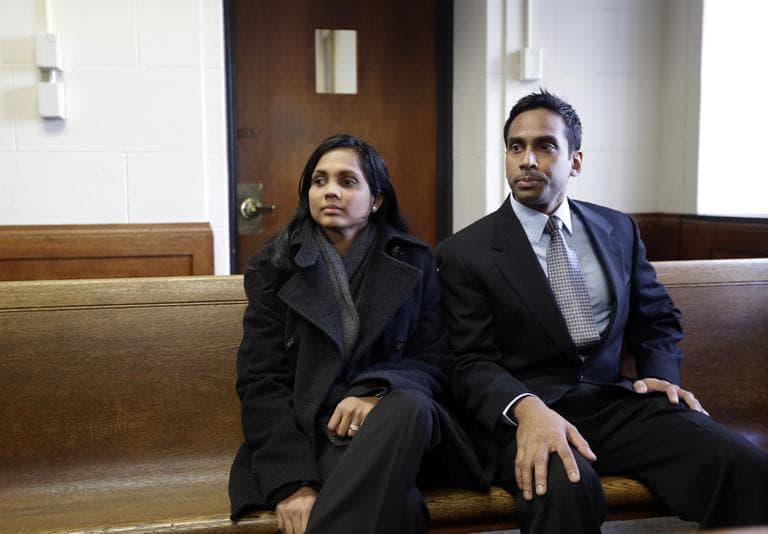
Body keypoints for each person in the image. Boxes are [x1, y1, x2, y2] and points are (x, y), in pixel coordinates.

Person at [436, 89, 768, 533]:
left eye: (545, 146)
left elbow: (657, 320)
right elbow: (470, 361)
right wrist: (526, 408)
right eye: (516, 147)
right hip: (525, 415)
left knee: (743, 464)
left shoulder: (617, 228)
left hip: (612, 405)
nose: (527, 160)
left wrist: (661, 374)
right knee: (567, 487)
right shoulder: (465, 251)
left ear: (575, 160)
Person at [228, 134, 484, 534]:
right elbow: (261, 381)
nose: (330, 191)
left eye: (347, 181)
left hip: (402, 427)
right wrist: (293, 482)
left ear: (377, 199)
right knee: (403, 509)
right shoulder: (275, 266)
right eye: (319, 181)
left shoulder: (414, 261)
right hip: (317, 432)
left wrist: (375, 390)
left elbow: (436, 362)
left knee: (409, 406)